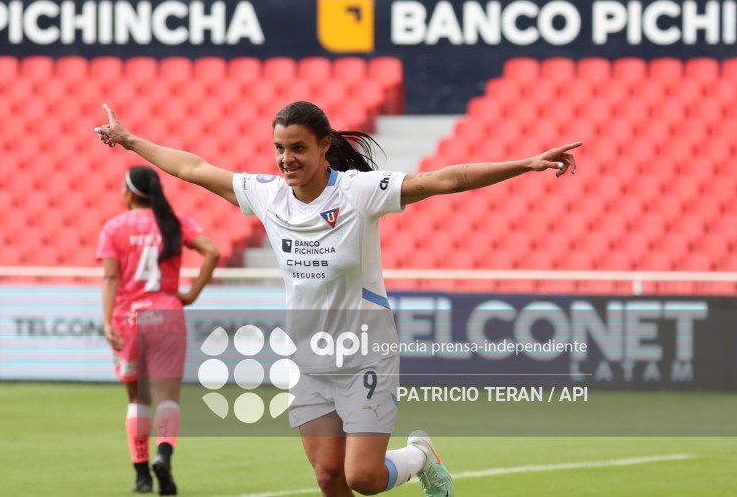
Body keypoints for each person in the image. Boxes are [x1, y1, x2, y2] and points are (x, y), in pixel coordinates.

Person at [96, 101, 580, 497]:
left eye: (298, 148)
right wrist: (130, 140)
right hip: (308, 359)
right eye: (280, 148)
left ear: (325, 145)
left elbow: (447, 180)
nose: (286, 159)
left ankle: (421, 456)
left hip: (366, 354)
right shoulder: (267, 195)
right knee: (329, 477)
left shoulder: (360, 192)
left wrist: (526, 163)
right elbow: (193, 168)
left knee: (362, 477)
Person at [97, 165, 220, 495]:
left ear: (129, 193)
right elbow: (212, 251)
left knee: (138, 398)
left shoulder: (114, 227)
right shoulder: (175, 222)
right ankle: (163, 455)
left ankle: (141, 476)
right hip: (167, 317)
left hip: (129, 320)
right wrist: (191, 294)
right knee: (167, 396)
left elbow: (110, 277)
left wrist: (107, 321)